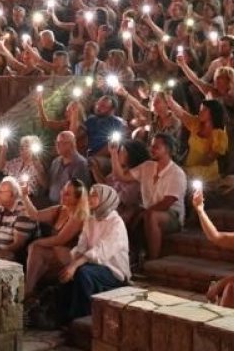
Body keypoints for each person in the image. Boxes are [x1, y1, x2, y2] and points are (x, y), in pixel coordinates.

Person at [109, 132, 186, 266]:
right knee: (128, 213)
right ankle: (125, 256)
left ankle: (152, 261)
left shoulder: (176, 173)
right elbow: (121, 176)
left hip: (172, 215)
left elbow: (167, 203)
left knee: (151, 216)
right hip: (148, 209)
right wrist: (114, 154)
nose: (152, 149)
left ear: (167, 149)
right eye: (151, 146)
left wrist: (145, 213)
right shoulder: (147, 166)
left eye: (156, 147)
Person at [60, 184, 130, 319]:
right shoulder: (91, 219)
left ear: (105, 199)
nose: (89, 198)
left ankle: (82, 318)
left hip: (113, 271)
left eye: (94, 195)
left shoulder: (116, 223)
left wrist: (75, 265)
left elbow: (100, 251)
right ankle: (63, 317)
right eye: (90, 194)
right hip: (93, 265)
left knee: (82, 273)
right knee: (67, 273)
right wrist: (72, 264)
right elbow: (82, 245)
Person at [20, 179, 87, 302]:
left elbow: (60, 240)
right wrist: (24, 196)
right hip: (55, 252)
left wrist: (35, 243)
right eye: (63, 190)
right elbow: (35, 215)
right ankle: (31, 292)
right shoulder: (59, 209)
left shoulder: (78, 215)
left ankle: (28, 290)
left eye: (67, 194)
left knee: (36, 248)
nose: (62, 194)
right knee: (36, 252)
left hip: (71, 254)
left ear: (77, 199)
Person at [0, 176, 37, 260]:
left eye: (0, 192)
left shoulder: (24, 212)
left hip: (17, 254)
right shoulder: (1, 209)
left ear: (12, 194)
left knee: (5, 256)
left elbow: (18, 244)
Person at [45, 131, 92, 207]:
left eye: (62, 143)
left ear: (72, 144)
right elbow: (48, 184)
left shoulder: (80, 164)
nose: (58, 146)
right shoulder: (56, 162)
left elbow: (79, 192)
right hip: (51, 204)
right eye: (57, 142)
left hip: (68, 207)